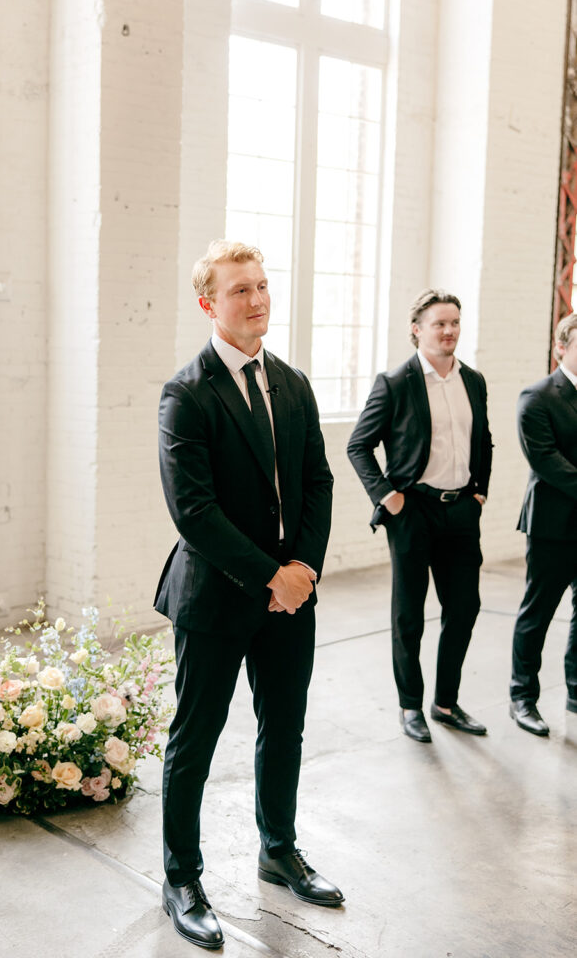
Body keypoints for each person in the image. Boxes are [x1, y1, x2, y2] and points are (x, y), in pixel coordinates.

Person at [155, 240, 342, 950]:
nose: (257, 299)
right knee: (195, 739)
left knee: (283, 727)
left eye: (262, 285)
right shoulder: (186, 392)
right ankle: (180, 876)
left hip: (290, 597)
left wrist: (303, 572)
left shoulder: (291, 382)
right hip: (215, 596)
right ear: (208, 303)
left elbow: (317, 482)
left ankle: (278, 847)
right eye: (240, 290)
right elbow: (193, 512)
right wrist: (271, 575)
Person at [347, 290, 492, 743]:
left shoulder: (474, 380)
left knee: (464, 608)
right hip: (413, 511)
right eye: (439, 324)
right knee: (409, 616)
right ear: (417, 329)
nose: (449, 331)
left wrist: (480, 494)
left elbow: (483, 440)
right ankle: (410, 706)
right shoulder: (395, 382)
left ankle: (445, 703)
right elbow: (358, 445)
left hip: (462, 510)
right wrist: (388, 497)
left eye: (454, 323)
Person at [509, 312, 577, 736]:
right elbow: (547, 462)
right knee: (538, 612)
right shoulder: (537, 396)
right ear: (561, 347)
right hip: (553, 525)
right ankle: (522, 698)